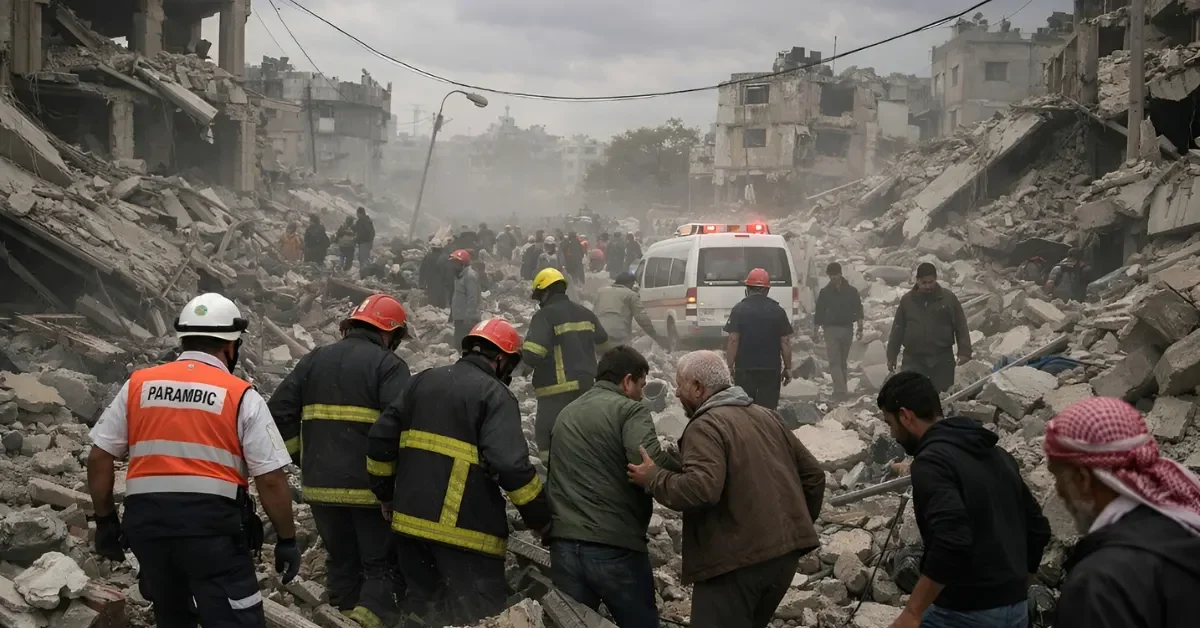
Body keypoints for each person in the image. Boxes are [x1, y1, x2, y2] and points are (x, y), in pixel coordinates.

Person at [87, 293, 299, 627]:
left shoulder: (139, 385)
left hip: (148, 528)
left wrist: (105, 522)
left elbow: (99, 457)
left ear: (183, 339)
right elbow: (270, 479)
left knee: (172, 614)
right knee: (236, 618)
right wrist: (287, 540)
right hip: (211, 532)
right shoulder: (241, 394)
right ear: (230, 346)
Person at [367, 319, 550, 626]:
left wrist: (386, 495)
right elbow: (510, 466)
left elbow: (379, 441)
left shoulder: (421, 381)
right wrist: (541, 520)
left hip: (410, 528)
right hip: (466, 536)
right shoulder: (494, 395)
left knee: (423, 612)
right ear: (501, 359)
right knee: (476, 617)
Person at [627, 350, 825, 628]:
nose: (675, 393)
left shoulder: (705, 425)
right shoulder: (768, 416)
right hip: (783, 561)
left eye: (680, 385)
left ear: (698, 388)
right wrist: (789, 532)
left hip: (736, 567)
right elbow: (814, 477)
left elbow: (701, 489)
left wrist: (654, 478)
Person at [268, 294, 411, 627]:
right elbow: (399, 424)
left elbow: (277, 412)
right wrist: (391, 482)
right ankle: (365, 622)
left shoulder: (315, 359)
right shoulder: (388, 366)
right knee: (380, 564)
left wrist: (301, 457)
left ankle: (341, 614)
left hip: (320, 487)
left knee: (342, 560)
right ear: (389, 334)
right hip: (369, 492)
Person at [876, 372, 1051, 628]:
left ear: (906, 416)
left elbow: (952, 539)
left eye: (891, 424)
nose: (893, 435)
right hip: (1017, 610)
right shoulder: (997, 454)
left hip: (965, 613)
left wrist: (912, 611)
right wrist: (1014, 589)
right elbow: (1038, 527)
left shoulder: (931, 463)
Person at [547, 346, 681, 627]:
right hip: (614, 548)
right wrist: (685, 471)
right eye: (641, 386)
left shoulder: (567, 412)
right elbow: (646, 460)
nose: (642, 394)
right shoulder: (630, 410)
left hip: (565, 546)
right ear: (627, 381)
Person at [1044, 397, 1200, 628]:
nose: (1059, 493)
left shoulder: (1099, 584)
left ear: (1083, 479)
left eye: (1058, 479)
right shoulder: (1187, 535)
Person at [522, 268, 608, 457]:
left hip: (555, 391)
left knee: (547, 440)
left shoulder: (545, 316)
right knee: (583, 437)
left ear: (545, 292)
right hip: (587, 387)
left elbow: (534, 353)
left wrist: (518, 364)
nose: (538, 304)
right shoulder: (585, 312)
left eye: (538, 298)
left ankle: (551, 476)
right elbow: (603, 340)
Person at [885, 263, 971, 392]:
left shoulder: (948, 299)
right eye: (924, 283)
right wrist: (891, 356)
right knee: (913, 396)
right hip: (913, 359)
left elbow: (961, 326)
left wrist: (964, 352)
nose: (928, 286)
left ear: (936, 279)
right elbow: (898, 329)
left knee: (941, 397)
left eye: (931, 282)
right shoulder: (907, 301)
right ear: (917, 281)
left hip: (942, 358)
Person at [724, 268, 792, 410]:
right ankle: (766, 431)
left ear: (747, 288)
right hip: (771, 369)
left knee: (745, 409)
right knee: (768, 410)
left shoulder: (739, 309)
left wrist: (729, 366)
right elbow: (785, 342)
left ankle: (748, 432)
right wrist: (788, 367)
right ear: (767, 290)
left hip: (745, 369)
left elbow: (733, 340)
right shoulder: (778, 311)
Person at [813, 262, 864, 399]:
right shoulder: (825, 292)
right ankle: (840, 391)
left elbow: (859, 310)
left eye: (835, 274)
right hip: (830, 330)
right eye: (831, 275)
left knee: (842, 361)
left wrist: (860, 328)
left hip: (847, 329)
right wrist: (815, 331)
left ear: (840, 274)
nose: (833, 277)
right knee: (834, 361)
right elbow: (819, 313)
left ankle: (842, 389)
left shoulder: (851, 291)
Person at [593, 271, 662, 347]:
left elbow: (594, 312)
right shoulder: (631, 295)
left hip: (599, 333)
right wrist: (654, 334)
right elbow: (642, 318)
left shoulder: (601, 292)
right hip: (618, 334)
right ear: (630, 283)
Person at [449, 249, 481, 348]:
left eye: (455, 263)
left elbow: (473, 298)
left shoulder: (469, 276)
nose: (453, 266)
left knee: (465, 346)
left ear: (462, 263)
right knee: (458, 345)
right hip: (460, 318)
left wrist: (469, 317)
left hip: (466, 320)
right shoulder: (459, 276)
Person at [420, 239, 449, 308]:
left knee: (432, 306)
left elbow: (422, 271)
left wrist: (422, 284)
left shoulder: (427, 257)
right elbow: (449, 272)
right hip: (443, 285)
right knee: (442, 305)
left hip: (431, 284)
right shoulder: (445, 257)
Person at [355, 207, 376, 274]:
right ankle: (363, 273)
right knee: (363, 259)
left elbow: (370, 232)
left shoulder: (364, 221)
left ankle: (364, 274)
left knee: (364, 260)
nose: (357, 215)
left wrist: (368, 241)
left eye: (357, 213)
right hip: (365, 242)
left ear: (360, 213)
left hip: (365, 243)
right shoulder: (366, 220)